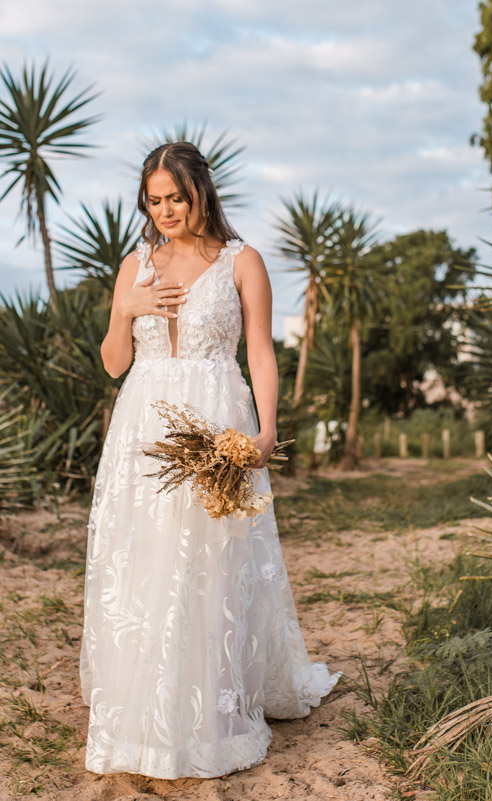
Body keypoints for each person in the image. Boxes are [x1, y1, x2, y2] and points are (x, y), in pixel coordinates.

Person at [79, 141, 340, 779]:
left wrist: (266, 433)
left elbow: (260, 353)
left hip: (217, 421)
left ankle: (210, 709)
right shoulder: (134, 264)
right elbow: (115, 364)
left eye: (176, 197)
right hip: (144, 427)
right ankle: (146, 705)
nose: (165, 210)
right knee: (145, 563)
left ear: (201, 191)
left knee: (211, 559)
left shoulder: (242, 261)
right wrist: (126, 308)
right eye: (154, 200)